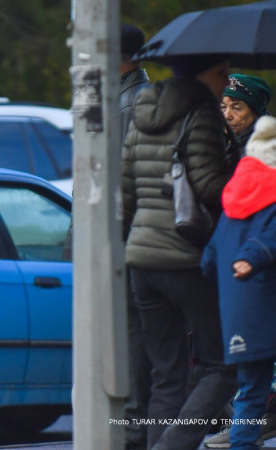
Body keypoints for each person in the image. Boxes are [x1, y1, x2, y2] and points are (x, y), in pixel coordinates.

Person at [121, 54, 239, 450]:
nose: (226, 81)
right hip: (184, 257)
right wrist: (240, 174)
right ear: (201, 73)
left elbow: (125, 192)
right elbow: (209, 187)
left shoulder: (143, 111)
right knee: (223, 365)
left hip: (141, 260)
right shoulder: (201, 113)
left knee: (166, 375)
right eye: (220, 73)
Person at [201, 115, 276, 449]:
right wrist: (252, 257)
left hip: (236, 314)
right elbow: (268, 240)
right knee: (256, 389)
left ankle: (243, 443)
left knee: (250, 389)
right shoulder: (272, 203)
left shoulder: (232, 206)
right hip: (266, 309)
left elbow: (209, 260)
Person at [119, 23, 153, 450]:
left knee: (132, 337)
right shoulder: (125, 98)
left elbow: (120, 181)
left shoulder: (132, 102)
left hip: (125, 239)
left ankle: (132, 430)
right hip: (127, 235)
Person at [222, 74, 272, 151]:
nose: (227, 116)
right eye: (223, 107)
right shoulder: (218, 142)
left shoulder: (266, 149)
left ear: (255, 112)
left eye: (236, 108)